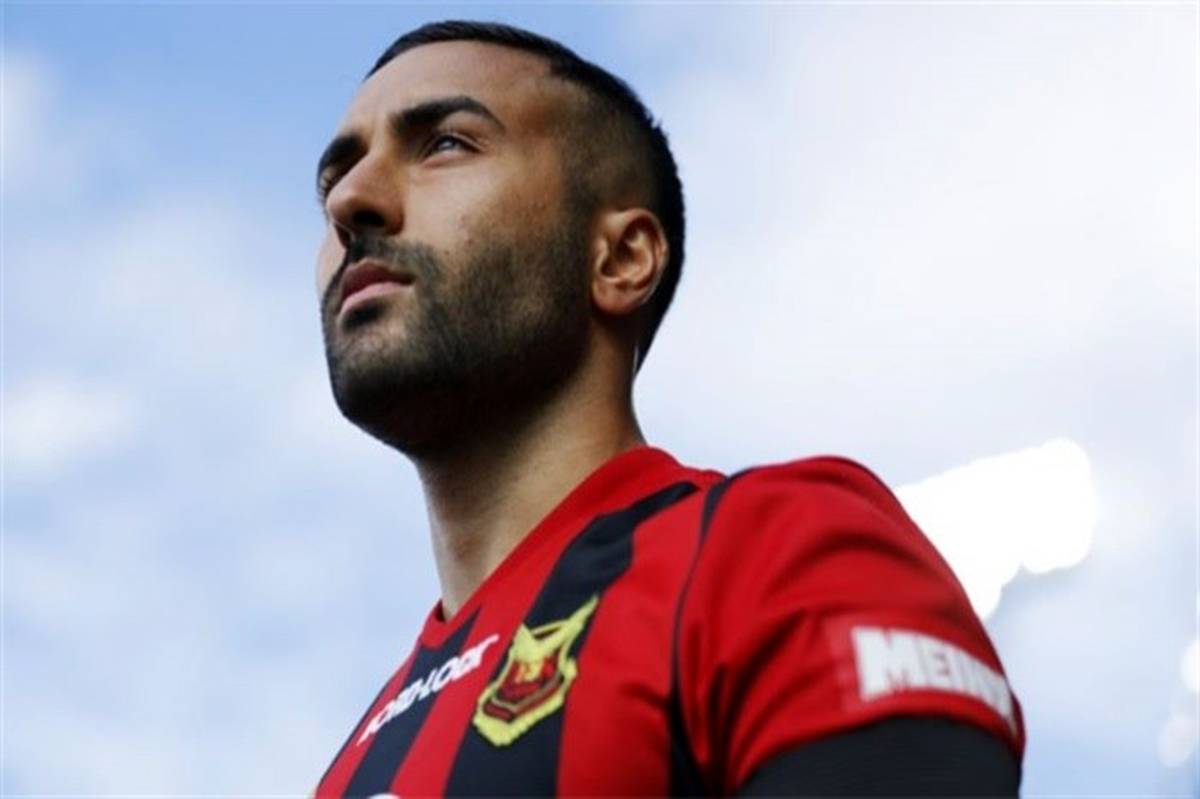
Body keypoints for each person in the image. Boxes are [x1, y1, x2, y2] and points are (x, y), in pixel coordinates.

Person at [311, 20, 1024, 797]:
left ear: (621, 259)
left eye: (445, 144)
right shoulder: (347, 770)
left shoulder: (776, 549)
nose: (350, 200)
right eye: (334, 178)